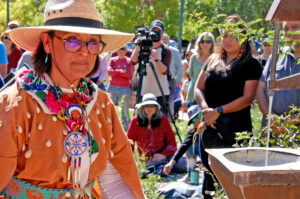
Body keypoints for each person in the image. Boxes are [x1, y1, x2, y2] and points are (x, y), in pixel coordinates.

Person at [0, 0, 144, 199]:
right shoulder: (15, 104)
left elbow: (114, 179)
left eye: (93, 43)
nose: (84, 51)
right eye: (72, 41)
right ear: (47, 42)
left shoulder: (99, 102)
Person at [194, 15, 262, 198]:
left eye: (234, 35)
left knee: (234, 182)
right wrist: (206, 110)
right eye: (225, 35)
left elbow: (248, 98)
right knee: (209, 179)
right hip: (210, 127)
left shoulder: (251, 64)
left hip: (236, 130)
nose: (228, 40)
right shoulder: (212, 60)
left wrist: (219, 111)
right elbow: (198, 88)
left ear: (245, 37)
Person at [127, 93, 186, 176]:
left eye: (152, 105)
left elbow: (172, 142)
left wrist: (163, 154)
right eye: (147, 105)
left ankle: (161, 169)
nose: (149, 108)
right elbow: (129, 143)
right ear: (143, 107)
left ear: (156, 107)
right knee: (157, 168)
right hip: (149, 159)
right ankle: (158, 170)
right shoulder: (135, 121)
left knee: (183, 164)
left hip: (165, 156)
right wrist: (129, 163)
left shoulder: (163, 119)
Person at [256, 21, 300, 129]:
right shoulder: (276, 56)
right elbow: (260, 89)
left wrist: (287, 124)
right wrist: (272, 118)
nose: (289, 32)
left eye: (295, 27)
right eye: (285, 29)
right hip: (272, 131)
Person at [131, 20, 172, 117]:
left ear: (163, 33)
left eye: (158, 31)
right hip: (144, 91)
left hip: (160, 93)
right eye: (154, 30)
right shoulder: (143, 45)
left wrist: (155, 57)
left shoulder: (166, 50)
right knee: (142, 120)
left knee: (161, 122)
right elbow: (132, 61)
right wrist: (137, 48)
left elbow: (164, 71)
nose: (155, 33)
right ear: (150, 31)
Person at [163, 105, 203, 179]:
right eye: (194, 119)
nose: (197, 120)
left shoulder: (212, 123)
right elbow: (184, 145)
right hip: (203, 154)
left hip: (214, 155)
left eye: (199, 115)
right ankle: (190, 174)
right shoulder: (193, 130)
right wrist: (171, 163)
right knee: (189, 145)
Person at [107, 46, 134, 131]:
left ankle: (126, 127)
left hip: (124, 87)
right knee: (110, 106)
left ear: (126, 51)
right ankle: (109, 125)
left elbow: (129, 74)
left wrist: (115, 72)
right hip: (112, 86)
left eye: (123, 50)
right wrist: (121, 71)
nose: (120, 51)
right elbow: (109, 71)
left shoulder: (129, 61)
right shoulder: (113, 60)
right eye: (119, 49)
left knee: (124, 108)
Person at [187, 32, 215, 107]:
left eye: (208, 42)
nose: (205, 44)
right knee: (194, 118)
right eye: (202, 41)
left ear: (212, 43)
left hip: (210, 93)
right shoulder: (193, 57)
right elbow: (191, 76)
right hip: (194, 94)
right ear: (199, 43)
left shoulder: (216, 57)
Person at [161, 33, 183, 118]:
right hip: (160, 79)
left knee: (170, 101)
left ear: (169, 40)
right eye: (162, 39)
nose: (164, 40)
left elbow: (180, 66)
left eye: (166, 39)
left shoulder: (175, 51)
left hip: (171, 80)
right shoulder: (157, 50)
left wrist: (179, 79)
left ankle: (169, 120)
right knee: (161, 100)